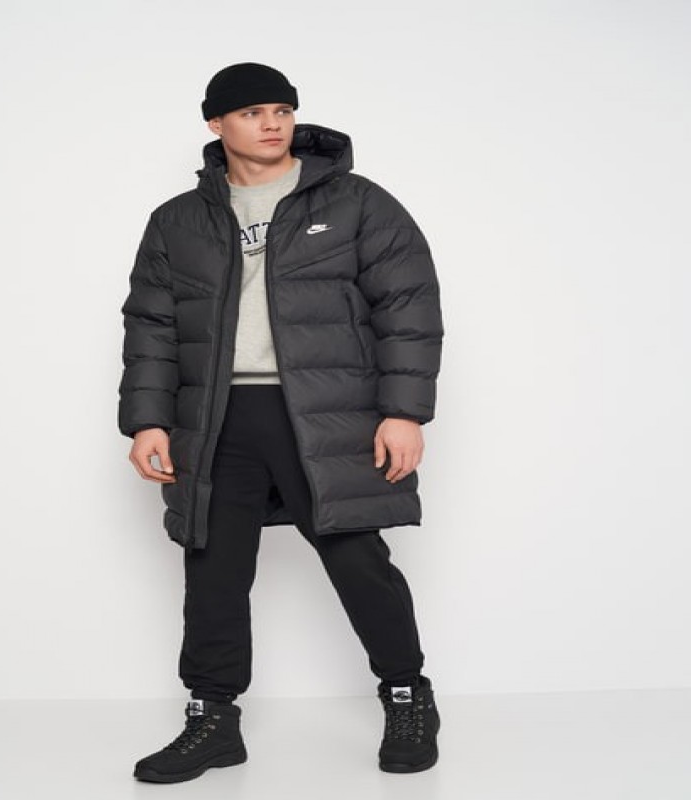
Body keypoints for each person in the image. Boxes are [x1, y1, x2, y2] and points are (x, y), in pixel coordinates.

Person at [118, 62, 445, 784]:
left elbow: (408, 305)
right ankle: (212, 720)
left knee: (357, 558)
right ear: (216, 123)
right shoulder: (178, 220)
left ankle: (406, 695)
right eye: (252, 112)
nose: (271, 124)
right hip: (216, 416)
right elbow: (152, 326)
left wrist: (403, 412)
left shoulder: (357, 202)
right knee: (213, 568)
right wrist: (148, 422)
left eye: (282, 110)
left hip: (327, 411)